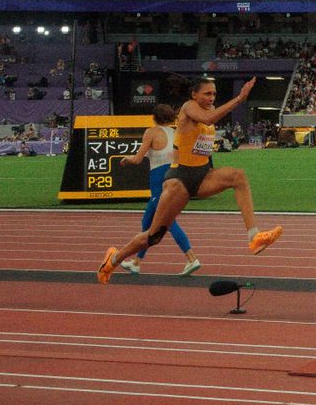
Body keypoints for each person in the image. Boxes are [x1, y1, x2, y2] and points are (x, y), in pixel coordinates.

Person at [98, 78, 280, 283]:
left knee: (238, 176)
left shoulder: (206, 110)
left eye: (214, 94)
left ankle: (254, 237)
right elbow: (210, 119)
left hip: (202, 174)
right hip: (180, 180)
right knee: (153, 237)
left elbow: (204, 133)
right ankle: (112, 260)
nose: (211, 98)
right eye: (207, 94)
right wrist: (240, 98)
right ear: (194, 95)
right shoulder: (189, 107)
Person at [116, 103, 201, 277]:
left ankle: (192, 258)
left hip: (159, 180)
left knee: (167, 221)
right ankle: (137, 262)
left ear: (154, 117)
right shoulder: (176, 132)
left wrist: (127, 159)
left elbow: (138, 159)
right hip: (175, 176)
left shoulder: (152, 132)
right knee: (147, 222)